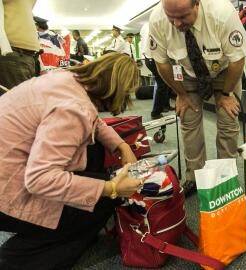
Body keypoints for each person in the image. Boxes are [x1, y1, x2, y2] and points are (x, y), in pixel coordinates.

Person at [0, 53, 143, 269]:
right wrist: (111, 187)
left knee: (94, 151)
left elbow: (94, 121)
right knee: (101, 202)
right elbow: (39, 179)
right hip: (8, 194)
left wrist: (121, 146)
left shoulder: (64, 79)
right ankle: (18, 258)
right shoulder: (74, 109)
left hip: (11, 167)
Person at [149, 0, 246, 196]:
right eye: (171, 17)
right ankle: (194, 178)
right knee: (188, 122)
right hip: (186, 73)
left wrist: (226, 94)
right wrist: (180, 94)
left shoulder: (222, 12)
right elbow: (162, 64)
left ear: (197, 4)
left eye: (182, 17)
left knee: (228, 121)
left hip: (224, 71)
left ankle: (225, 178)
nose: (176, 23)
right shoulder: (158, 19)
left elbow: (237, 59)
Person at [0, 0, 40, 90]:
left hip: (30, 55)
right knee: (20, 101)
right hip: (11, 52)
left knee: (26, 99)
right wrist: (6, 49)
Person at [140, 22, 174, 120]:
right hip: (154, 58)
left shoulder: (146, 25)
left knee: (166, 82)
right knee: (162, 84)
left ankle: (165, 106)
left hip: (150, 58)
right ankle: (156, 112)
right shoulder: (156, 25)